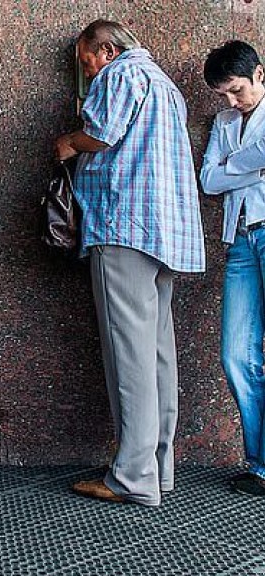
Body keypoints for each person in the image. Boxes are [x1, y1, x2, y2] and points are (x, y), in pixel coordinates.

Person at [55, 20, 206, 506]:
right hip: (165, 236)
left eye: (86, 61)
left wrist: (69, 143)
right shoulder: (164, 84)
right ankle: (158, 469)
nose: (87, 72)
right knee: (158, 354)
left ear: (107, 48)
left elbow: (101, 133)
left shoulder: (120, 75)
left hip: (123, 228)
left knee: (129, 356)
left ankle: (132, 477)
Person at [200, 40, 265, 497]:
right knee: (236, 354)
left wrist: (231, 165)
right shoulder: (224, 122)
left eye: (237, 90)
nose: (231, 102)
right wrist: (253, 165)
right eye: (224, 94)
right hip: (240, 239)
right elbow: (208, 179)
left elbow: (225, 172)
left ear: (260, 74)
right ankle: (261, 465)